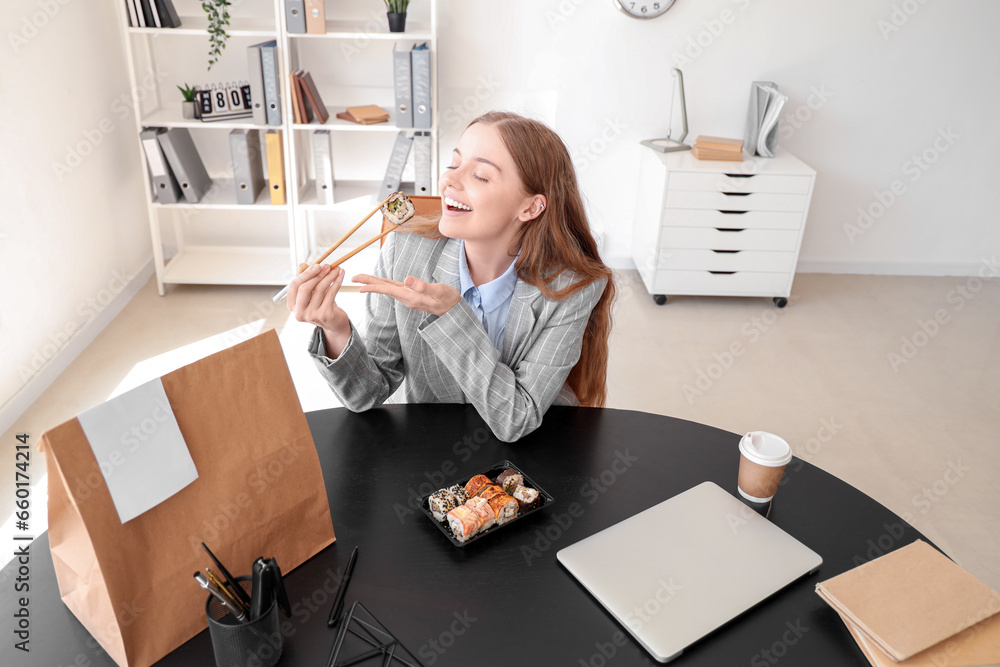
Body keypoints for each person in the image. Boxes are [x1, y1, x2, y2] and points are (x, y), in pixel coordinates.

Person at [288, 110, 615, 442]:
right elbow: (366, 394)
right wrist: (335, 329)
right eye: (453, 165)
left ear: (531, 207)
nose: (449, 182)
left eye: (480, 176)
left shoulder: (573, 288)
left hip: (529, 457)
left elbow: (516, 420)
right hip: (430, 451)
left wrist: (451, 316)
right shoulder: (404, 251)